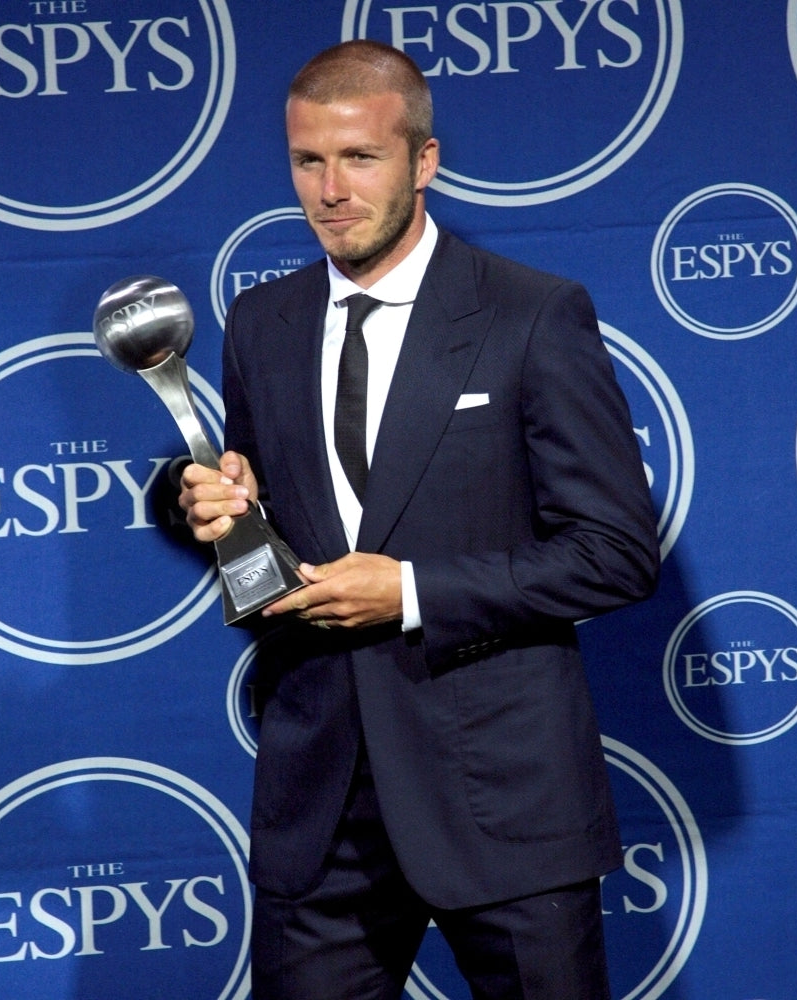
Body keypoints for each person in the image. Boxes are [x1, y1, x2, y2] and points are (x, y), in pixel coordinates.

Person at [179, 38, 660, 1000]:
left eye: (360, 158)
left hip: (505, 805)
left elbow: (615, 555)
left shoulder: (532, 315)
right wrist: (221, 514)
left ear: (424, 161)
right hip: (320, 807)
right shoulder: (263, 326)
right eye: (308, 161)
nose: (330, 189)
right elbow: (262, 564)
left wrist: (411, 592)